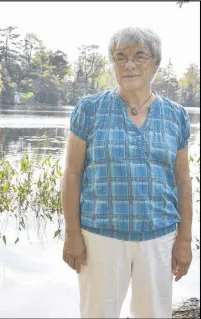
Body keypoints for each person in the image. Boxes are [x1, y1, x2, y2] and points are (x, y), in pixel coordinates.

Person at [61, 27, 193, 318]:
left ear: (155, 63)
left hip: (159, 237)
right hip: (100, 236)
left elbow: (183, 182)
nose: (129, 65)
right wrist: (72, 234)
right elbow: (72, 174)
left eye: (138, 56)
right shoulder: (90, 109)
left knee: (154, 314)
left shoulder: (176, 115)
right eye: (120, 58)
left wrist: (184, 240)